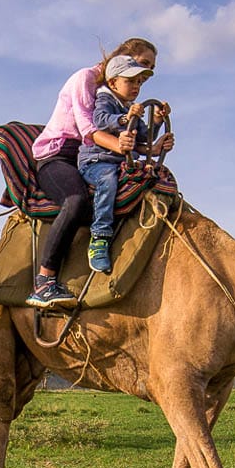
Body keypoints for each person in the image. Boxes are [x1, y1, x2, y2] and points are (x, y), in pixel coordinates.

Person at [27, 38, 160, 307]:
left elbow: (127, 136)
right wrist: (124, 148)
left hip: (93, 155)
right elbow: (90, 131)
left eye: (149, 69)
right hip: (59, 155)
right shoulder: (85, 79)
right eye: (143, 64)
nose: (144, 76)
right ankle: (44, 281)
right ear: (124, 57)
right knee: (76, 201)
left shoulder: (117, 97)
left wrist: (151, 145)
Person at [77, 54, 167, 274]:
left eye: (138, 81)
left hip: (120, 162)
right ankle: (99, 237)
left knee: (154, 176)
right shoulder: (105, 98)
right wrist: (125, 119)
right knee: (108, 181)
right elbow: (100, 120)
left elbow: (143, 136)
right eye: (130, 80)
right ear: (113, 82)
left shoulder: (129, 106)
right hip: (96, 161)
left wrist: (157, 121)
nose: (136, 86)